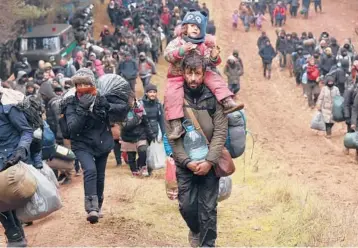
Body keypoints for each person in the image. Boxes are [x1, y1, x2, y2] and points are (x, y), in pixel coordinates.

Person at [166, 51, 228, 247]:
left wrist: (210, 161)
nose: (193, 79)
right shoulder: (174, 98)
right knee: (187, 207)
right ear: (183, 73)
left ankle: (208, 244)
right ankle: (195, 230)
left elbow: (220, 131)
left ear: (204, 74)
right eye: (189, 73)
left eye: (198, 74)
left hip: (210, 161)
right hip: (186, 165)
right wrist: (187, 162)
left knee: (208, 208)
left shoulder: (214, 97)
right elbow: (172, 136)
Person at [164, 10, 243, 140]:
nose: (195, 29)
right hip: (177, 74)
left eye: (198, 27)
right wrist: (182, 50)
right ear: (185, 27)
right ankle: (176, 124)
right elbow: (167, 55)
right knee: (172, 95)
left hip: (200, 73)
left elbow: (208, 62)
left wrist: (213, 57)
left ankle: (227, 101)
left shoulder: (202, 45)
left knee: (215, 78)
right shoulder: (177, 42)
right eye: (192, 26)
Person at [63, 68, 116, 224]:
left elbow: (114, 117)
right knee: (90, 170)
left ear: (92, 84)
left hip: (102, 143)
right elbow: (72, 128)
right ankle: (91, 208)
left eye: (86, 83)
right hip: (81, 143)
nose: (82, 87)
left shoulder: (101, 99)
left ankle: (98, 205)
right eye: (79, 84)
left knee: (100, 176)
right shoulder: (70, 102)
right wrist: (82, 109)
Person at [0, 91, 34, 247]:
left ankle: (15, 236)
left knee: (8, 199)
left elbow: (26, 131)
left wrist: (21, 150)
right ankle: (16, 236)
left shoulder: (8, 108)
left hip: (12, 159)